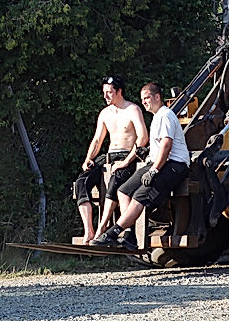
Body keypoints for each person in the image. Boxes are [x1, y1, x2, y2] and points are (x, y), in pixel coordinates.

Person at [91, 83, 190, 249]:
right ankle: (129, 235)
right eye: (142, 99)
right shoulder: (157, 117)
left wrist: (153, 171)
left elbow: (167, 146)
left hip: (174, 166)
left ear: (157, 97)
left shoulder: (166, 115)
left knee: (140, 195)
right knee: (122, 190)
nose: (144, 102)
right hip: (157, 163)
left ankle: (112, 233)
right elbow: (158, 147)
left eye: (147, 98)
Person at [72, 76, 148, 241]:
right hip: (108, 156)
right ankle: (89, 231)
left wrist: (127, 160)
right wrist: (88, 159)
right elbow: (98, 140)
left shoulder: (132, 109)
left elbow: (143, 138)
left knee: (115, 180)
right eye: (104, 92)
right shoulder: (105, 113)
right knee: (81, 182)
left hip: (127, 155)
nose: (105, 96)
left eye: (109, 93)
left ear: (119, 91)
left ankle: (102, 228)